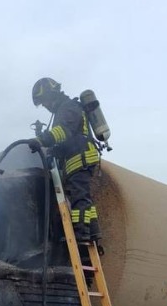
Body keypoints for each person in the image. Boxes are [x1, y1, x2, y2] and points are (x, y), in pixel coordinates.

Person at [25, 77, 102, 245]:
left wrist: (41, 141)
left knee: (79, 198)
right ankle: (93, 232)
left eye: (44, 102)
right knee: (83, 198)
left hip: (80, 158)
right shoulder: (64, 109)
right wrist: (53, 151)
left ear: (51, 95)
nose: (45, 106)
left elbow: (63, 131)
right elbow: (66, 139)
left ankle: (81, 235)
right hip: (77, 159)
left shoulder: (68, 107)